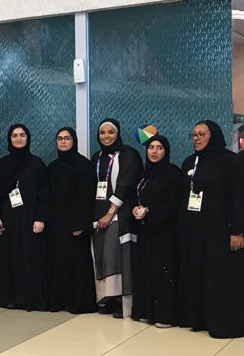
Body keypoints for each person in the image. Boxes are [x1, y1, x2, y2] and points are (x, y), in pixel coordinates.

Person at [178, 120, 244, 339]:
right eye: (193, 134)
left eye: (201, 134)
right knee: (199, 273)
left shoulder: (231, 162)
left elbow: (238, 198)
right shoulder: (190, 161)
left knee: (221, 278)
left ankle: (224, 323)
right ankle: (199, 319)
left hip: (221, 230)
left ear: (213, 135)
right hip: (197, 230)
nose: (196, 138)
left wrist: (238, 230)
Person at [0, 124, 49, 311]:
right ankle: (9, 297)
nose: (18, 138)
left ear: (28, 138)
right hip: (7, 218)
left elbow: (44, 194)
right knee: (7, 257)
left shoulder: (37, 163)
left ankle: (28, 299)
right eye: (14, 135)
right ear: (9, 139)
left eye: (22, 135)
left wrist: (40, 218)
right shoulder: (2, 164)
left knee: (29, 258)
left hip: (30, 219)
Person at [89, 118, 142, 319]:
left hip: (118, 214)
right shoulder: (97, 157)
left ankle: (122, 298)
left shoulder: (129, 155)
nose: (106, 136)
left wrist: (110, 213)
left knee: (117, 255)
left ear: (118, 133)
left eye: (111, 132)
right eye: (102, 133)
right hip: (98, 213)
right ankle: (108, 296)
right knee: (102, 254)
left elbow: (126, 184)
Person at [131, 134, 181, 327]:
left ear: (166, 151)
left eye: (159, 148)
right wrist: (136, 209)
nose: (154, 151)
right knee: (145, 270)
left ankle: (164, 315)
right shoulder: (144, 174)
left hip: (164, 231)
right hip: (145, 231)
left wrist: (150, 211)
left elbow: (172, 203)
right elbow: (136, 197)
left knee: (162, 271)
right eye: (151, 147)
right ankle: (146, 311)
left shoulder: (172, 173)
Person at [45, 128, 97, 314]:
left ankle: (79, 302)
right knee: (58, 261)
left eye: (67, 138)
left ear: (73, 141)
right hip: (56, 224)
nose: (63, 142)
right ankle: (59, 300)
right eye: (59, 138)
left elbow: (86, 197)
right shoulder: (52, 167)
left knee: (77, 263)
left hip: (76, 224)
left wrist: (80, 223)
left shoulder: (84, 165)